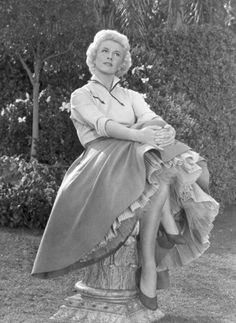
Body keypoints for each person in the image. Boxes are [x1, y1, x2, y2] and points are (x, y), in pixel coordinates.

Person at [32, 30, 219, 311]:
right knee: (147, 144)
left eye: (116, 53)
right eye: (105, 51)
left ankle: (150, 261)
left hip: (139, 154)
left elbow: (152, 120)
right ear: (94, 56)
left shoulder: (131, 95)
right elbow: (103, 126)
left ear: (123, 62)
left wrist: (167, 131)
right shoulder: (81, 94)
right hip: (99, 160)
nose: (110, 56)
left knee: (154, 135)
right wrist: (141, 134)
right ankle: (159, 243)